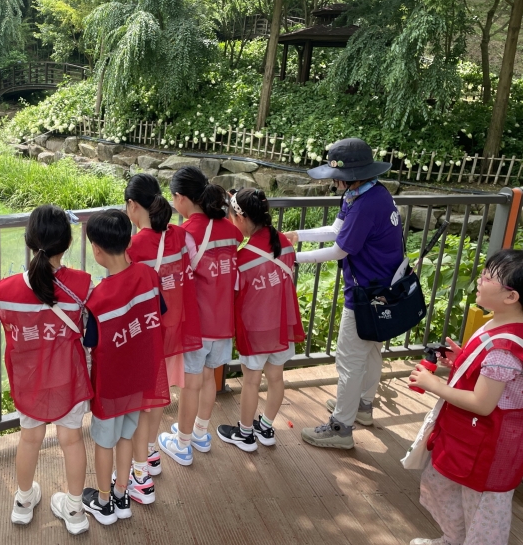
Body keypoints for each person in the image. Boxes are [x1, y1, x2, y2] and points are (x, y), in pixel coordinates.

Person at [286, 138, 403, 450]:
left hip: (366, 292)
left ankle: (340, 427)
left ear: (352, 176)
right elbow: (338, 230)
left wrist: (294, 257)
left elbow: (340, 249)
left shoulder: (364, 204)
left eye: (336, 176)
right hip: (384, 287)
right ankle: (362, 406)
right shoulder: (368, 193)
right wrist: (298, 235)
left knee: (349, 359)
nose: (332, 181)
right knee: (372, 350)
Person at [407, 249, 523, 545]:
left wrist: (433, 384)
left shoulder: (505, 348)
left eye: (488, 277)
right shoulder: (499, 322)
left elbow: (482, 404)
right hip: (467, 435)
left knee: (483, 511)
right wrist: (461, 360)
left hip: (488, 445)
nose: (480, 280)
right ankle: (453, 539)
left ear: (511, 296)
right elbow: (493, 377)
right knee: (441, 485)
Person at [0, 204, 93, 535]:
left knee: (29, 437)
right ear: (67, 243)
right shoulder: (82, 285)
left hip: (29, 380)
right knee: (72, 439)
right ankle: (75, 510)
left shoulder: (5, 290)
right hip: (69, 378)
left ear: (29, 239)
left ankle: (23, 502)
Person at [82, 209, 170, 525]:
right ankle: (122, 493)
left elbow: (90, 341)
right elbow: (159, 311)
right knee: (126, 437)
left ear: (97, 250)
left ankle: (104, 502)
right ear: (128, 241)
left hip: (111, 385)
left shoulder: (98, 298)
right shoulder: (148, 275)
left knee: (104, 441)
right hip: (140, 377)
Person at [124, 174, 203, 501]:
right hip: (175, 330)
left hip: (146, 334)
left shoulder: (134, 246)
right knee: (159, 396)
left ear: (132, 205)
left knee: (142, 404)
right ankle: (152, 451)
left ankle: (140, 473)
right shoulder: (180, 235)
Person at [158, 167, 242, 465]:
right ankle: (200, 433)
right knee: (208, 379)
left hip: (197, 323)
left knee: (190, 384)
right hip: (224, 321)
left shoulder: (185, 233)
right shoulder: (230, 230)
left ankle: (182, 444)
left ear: (180, 198)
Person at [216, 188, 305, 451]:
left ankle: (245, 434)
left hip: (255, 329)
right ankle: (265, 427)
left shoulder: (242, 257)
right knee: (276, 378)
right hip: (281, 325)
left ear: (241, 218)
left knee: (251, 382)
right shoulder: (284, 243)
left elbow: (233, 294)